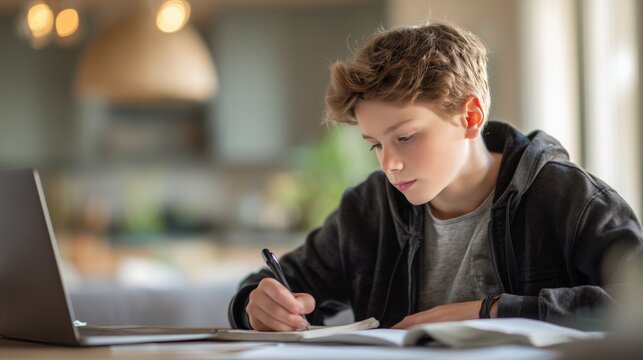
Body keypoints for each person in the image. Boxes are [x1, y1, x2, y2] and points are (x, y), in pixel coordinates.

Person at [227, 22, 643, 331]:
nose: (388, 164)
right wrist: (258, 305)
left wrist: (490, 311)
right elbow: (269, 287)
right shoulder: (369, 208)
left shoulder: (566, 197)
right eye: (376, 144)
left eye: (405, 137)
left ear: (471, 116)